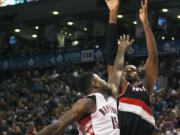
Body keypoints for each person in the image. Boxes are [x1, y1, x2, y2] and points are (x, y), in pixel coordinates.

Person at [38, 34, 133, 135]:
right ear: (94, 83)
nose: (104, 80)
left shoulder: (111, 95)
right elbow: (58, 126)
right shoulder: (87, 103)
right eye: (100, 78)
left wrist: (121, 49)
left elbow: (118, 69)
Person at [106, 0, 158, 135]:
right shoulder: (118, 86)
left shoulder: (145, 86)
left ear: (138, 73)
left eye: (132, 69)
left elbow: (153, 58)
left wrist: (146, 24)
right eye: (126, 69)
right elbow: (111, 59)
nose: (128, 70)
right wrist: (113, 14)